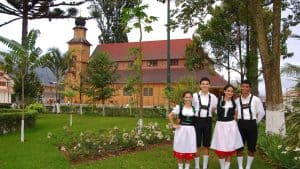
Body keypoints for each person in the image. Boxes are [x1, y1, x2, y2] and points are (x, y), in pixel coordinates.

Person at [210, 84, 244, 169]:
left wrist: (233, 124)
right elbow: (212, 110)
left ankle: (227, 167)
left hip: (231, 126)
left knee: (230, 147)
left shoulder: (234, 103)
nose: (230, 92)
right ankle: (222, 167)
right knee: (220, 146)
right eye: (228, 91)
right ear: (224, 91)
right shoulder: (218, 100)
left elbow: (236, 115)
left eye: (232, 91)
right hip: (220, 126)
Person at [235, 80, 265, 169]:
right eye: (243, 86)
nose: (244, 88)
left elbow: (261, 113)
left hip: (252, 124)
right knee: (239, 147)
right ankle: (240, 167)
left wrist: (255, 122)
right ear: (241, 87)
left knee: (251, 147)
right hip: (240, 124)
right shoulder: (237, 100)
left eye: (247, 86)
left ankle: (248, 167)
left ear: (250, 88)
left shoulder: (256, 99)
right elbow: (235, 113)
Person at [192, 77, 218, 169]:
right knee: (197, 144)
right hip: (197, 121)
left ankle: (204, 166)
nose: (205, 85)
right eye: (203, 83)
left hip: (208, 121)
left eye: (207, 84)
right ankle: (197, 166)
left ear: (209, 85)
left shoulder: (214, 97)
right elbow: (190, 108)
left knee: (206, 144)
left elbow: (217, 110)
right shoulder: (194, 96)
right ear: (200, 85)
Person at [168, 91, 197, 169]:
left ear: (192, 98)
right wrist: (174, 124)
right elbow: (170, 115)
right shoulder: (179, 107)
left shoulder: (195, 109)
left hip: (191, 131)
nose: (188, 99)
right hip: (181, 130)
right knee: (180, 148)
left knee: (189, 149)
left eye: (189, 97)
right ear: (183, 98)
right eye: (186, 97)